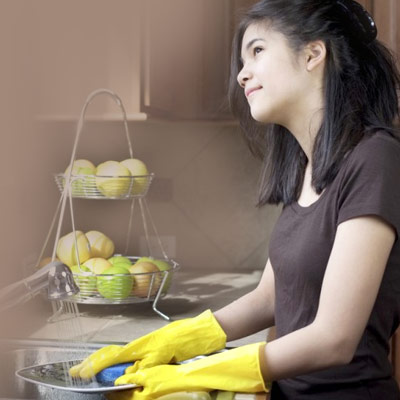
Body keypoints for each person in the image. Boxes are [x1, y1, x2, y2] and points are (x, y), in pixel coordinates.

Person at [70, 0, 400, 399]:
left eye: (257, 51)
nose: (242, 74)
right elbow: (268, 298)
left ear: (313, 53)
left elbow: (334, 337)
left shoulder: (375, 159)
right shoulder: (306, 167)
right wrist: (177, 341)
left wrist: (210, 369)